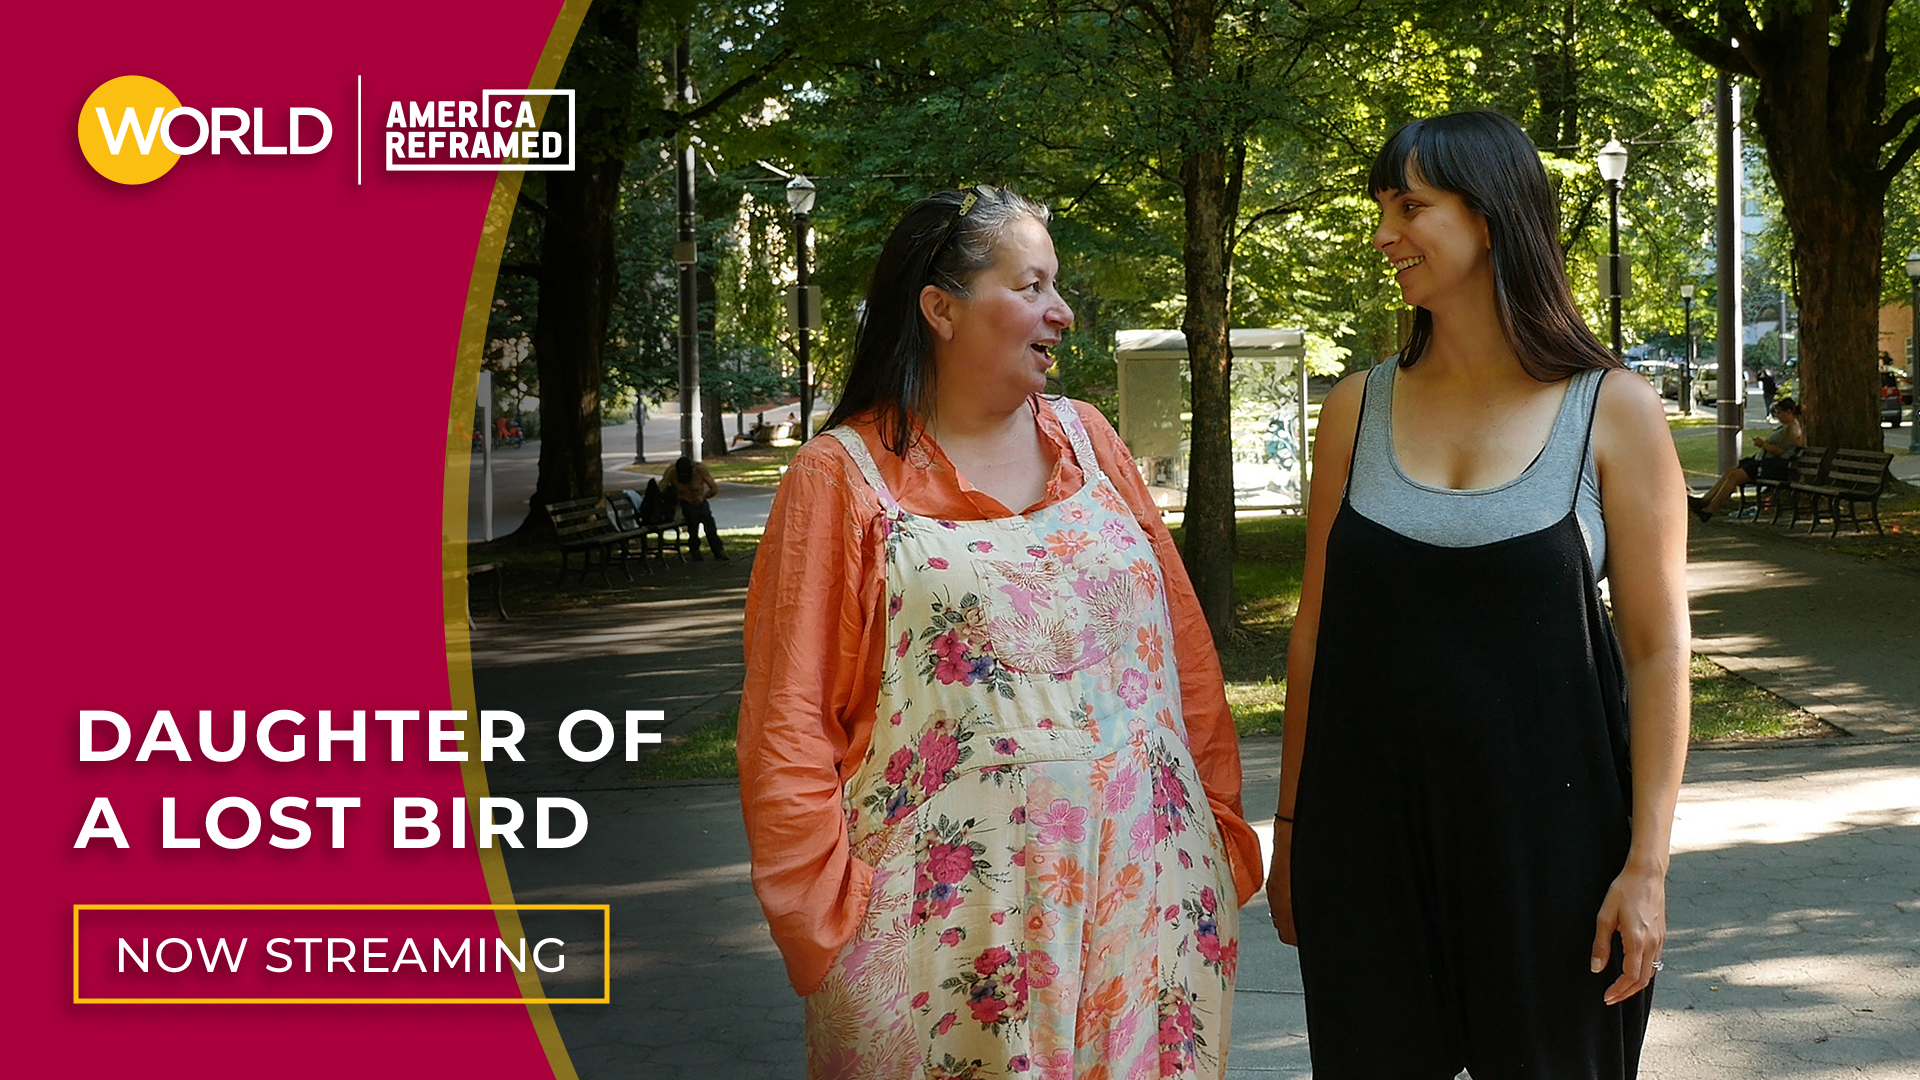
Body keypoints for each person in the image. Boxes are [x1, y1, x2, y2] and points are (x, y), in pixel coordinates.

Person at [738, 186, 1259, 1080]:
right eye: (1030, 286)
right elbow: (787, 723)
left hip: (1149, 903)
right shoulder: (842, 480)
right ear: (940, 308)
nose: (1061, 312)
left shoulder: (1092, 443)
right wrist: (824, 927)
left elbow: (1183, 656)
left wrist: (1215, 836)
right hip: (941, 936)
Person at [1267, 112, 1690, 1079]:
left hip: (1557, 864)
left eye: (1410, 207)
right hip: (1368, 855)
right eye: (1381, 207)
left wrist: (1647, 867)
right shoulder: (1355, 408)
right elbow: (1315, 635)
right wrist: (1292, 835)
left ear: (1493, 219)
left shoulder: (1611, 410)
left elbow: (1659, 652)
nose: (1384, 234)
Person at [1690, 397, 1806, 520]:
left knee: (1734, 477)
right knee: (1730, 472)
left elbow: (1781, 451)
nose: (1777, 416)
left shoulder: (1793, 429)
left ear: (1788, 412)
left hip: (1773, 467)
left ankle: (1709, 509)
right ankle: (1705, 500)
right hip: (1763, 462)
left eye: (1779, 412)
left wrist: (1763, 444)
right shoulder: (1785, 427)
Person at [662, 455, 727, 560]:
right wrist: (679, 497)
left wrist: (703, 497)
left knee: (708, 519)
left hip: (700, 501)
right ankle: (695, 549)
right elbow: (662, 490)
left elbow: (714, 489)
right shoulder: (671, 472)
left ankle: (718, 550)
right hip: (683, 503)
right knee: (692, 518)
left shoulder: (700, 469)